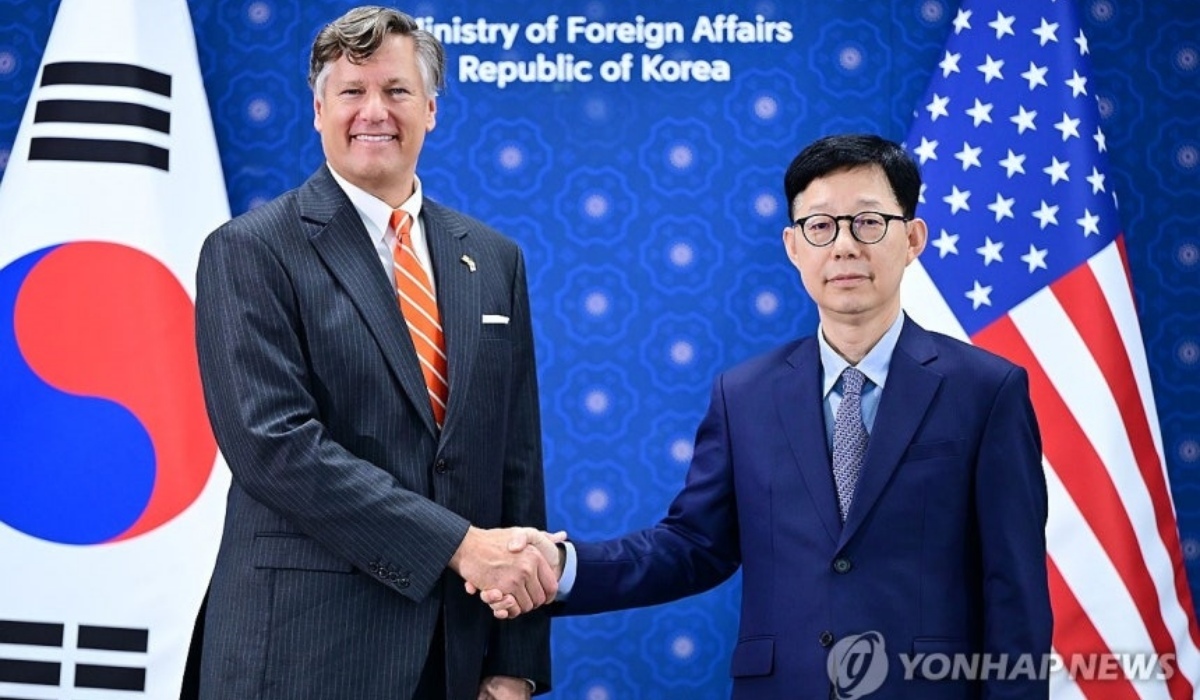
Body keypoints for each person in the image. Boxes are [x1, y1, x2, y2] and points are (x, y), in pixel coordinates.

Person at [480, 134, 1053, 698]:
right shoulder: (745, 395)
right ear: (793, 246)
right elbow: (693, 546)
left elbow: (1015, 590)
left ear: (913, 238)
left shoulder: (986, 390)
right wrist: (561, 565)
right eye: (821, 226)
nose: (844, 246)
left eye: (868, 222)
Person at [192, 6, 554, 699]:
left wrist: (515, 660)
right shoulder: (251, 250)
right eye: (352, 91)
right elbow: (275, 447)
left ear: (431, 109)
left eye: (396, 90)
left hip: (453, 657)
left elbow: (516, 461)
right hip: (303, 655)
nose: (374, 111)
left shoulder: (494, 259)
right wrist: (458, 546)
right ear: (319, 109)